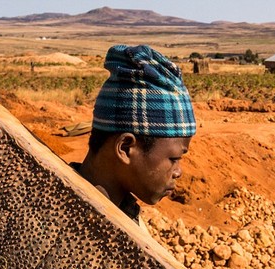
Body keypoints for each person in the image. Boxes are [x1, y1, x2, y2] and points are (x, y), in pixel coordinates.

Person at [73, 44, 196, 227]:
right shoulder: (78, 225)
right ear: (125, 148)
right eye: (173, 158)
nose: (178, 172)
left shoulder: (122, 214)